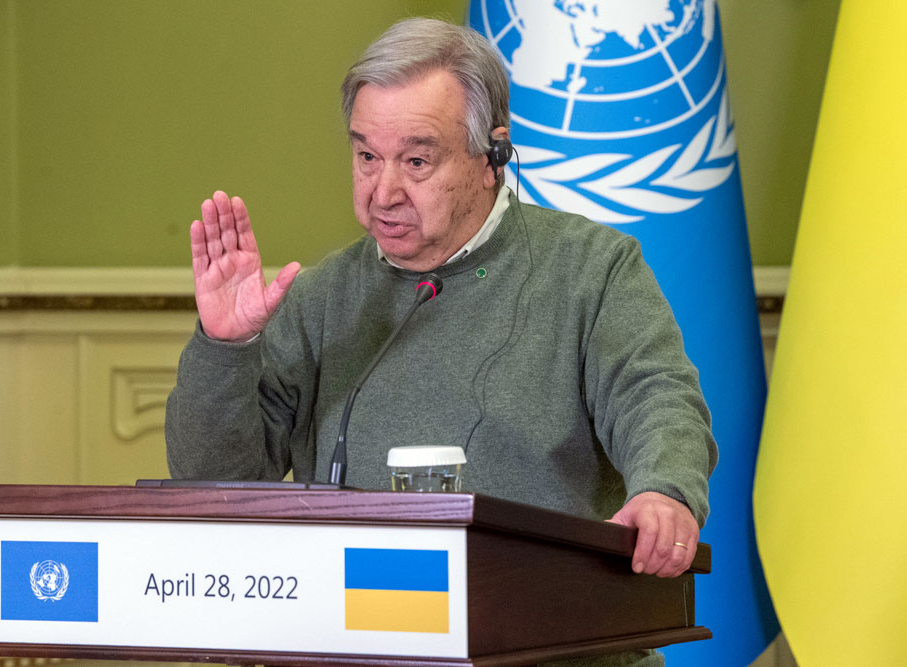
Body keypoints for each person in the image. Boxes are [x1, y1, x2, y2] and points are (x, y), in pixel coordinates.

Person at [166, 18, 716, 666]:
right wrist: (227, 346)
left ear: (492, 157)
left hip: (552, 644)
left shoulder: (591, 270)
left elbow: (657, 397)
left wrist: (664, 490)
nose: (383, 191)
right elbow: (217, 486)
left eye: (417, 160)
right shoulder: (320, 297)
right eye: (367, 155)